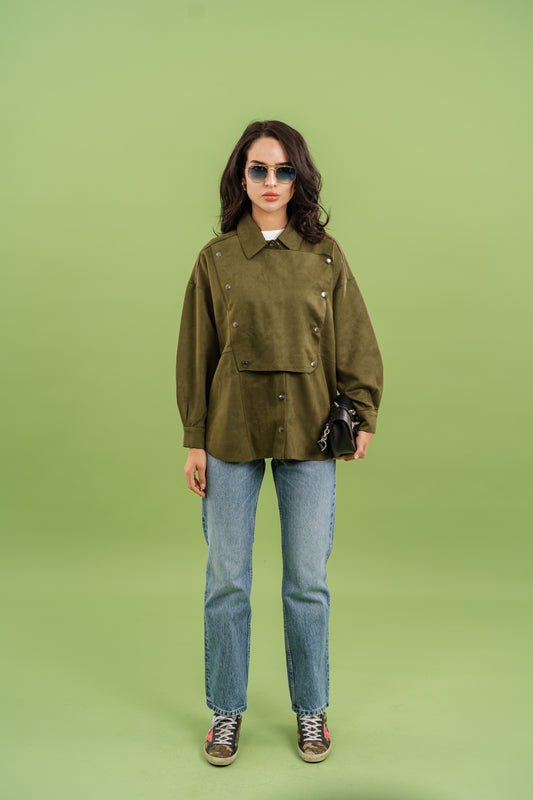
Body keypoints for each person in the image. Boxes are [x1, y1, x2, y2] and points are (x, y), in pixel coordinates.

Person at [175, 120, 383, 766]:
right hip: (229, 430)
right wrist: (194, 438)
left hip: (311, 430)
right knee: (227, 581)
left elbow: (355, 337)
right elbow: (196, 353)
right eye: (259, 169)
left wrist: (362, 413)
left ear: (299, 179)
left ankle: (311, 709)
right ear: (241, 178)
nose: (271, 182)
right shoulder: (215, 259)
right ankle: (225, 711)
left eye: (283, 170)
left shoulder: (325, 256)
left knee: (306, 582)